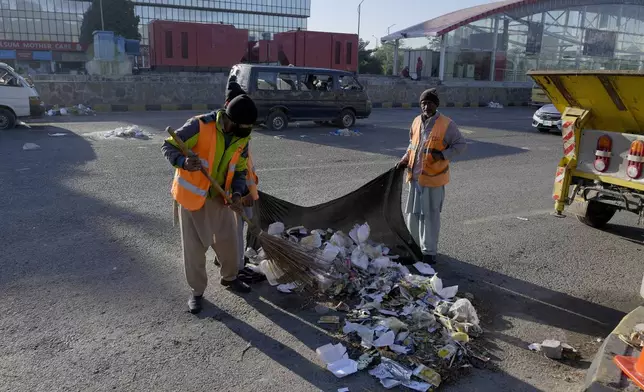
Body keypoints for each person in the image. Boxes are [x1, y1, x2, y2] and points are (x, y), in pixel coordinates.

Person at [162, 94, 258, 314]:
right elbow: (168, 146)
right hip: (193, 198)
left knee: (228, 241)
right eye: (243, 127)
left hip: (220, 196)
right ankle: (196, 292)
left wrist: (236, 193)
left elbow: (240, 169)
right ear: (230, 120)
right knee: (194, 249)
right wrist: (183, 162)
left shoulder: (242, 138)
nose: (246, 132)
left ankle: (230, 278)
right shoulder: (200, 126)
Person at [397, 89, 467, 265]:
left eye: (430, 103)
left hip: (433, 179)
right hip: (414, 177)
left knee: (430, 215)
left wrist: (443, 155)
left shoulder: (446, 124)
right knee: (413, 214)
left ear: (436, 105)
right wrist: (404, 160)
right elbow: (412, 145)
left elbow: (460, 145)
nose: (426, 106)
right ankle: (415, 248)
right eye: (423, 103)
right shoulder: (415, 122)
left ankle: (429, 252)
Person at [214, 78, 265, 285]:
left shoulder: (240, 134)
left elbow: (244, 167)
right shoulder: (228, 133)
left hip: (241, 191)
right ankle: (236, 270)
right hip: (236, 194)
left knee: (233, 233)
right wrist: (243, 195)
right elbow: (233, 171)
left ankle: (228, 262)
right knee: (233, 233)